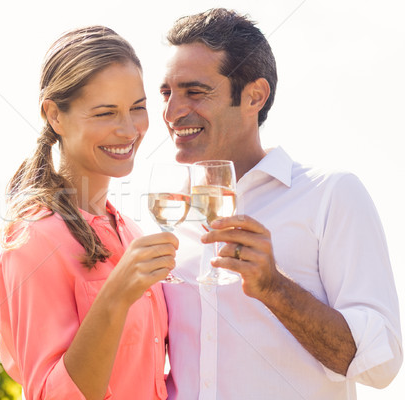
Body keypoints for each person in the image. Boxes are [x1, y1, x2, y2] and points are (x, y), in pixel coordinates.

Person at [160, 8, 402, 399]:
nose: (172, 113)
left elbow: (382, 365)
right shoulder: (167, 215)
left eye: (195, 91)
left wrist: (274, 287)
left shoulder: (331, 195)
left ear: (255, 96)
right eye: (166, 93)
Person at [0, 26, 176, 400]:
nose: (129, 130)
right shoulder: (34, 240)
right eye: (106, 113)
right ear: (54, 115)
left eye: (137, 108)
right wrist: (116, 295)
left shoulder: (131, 231)